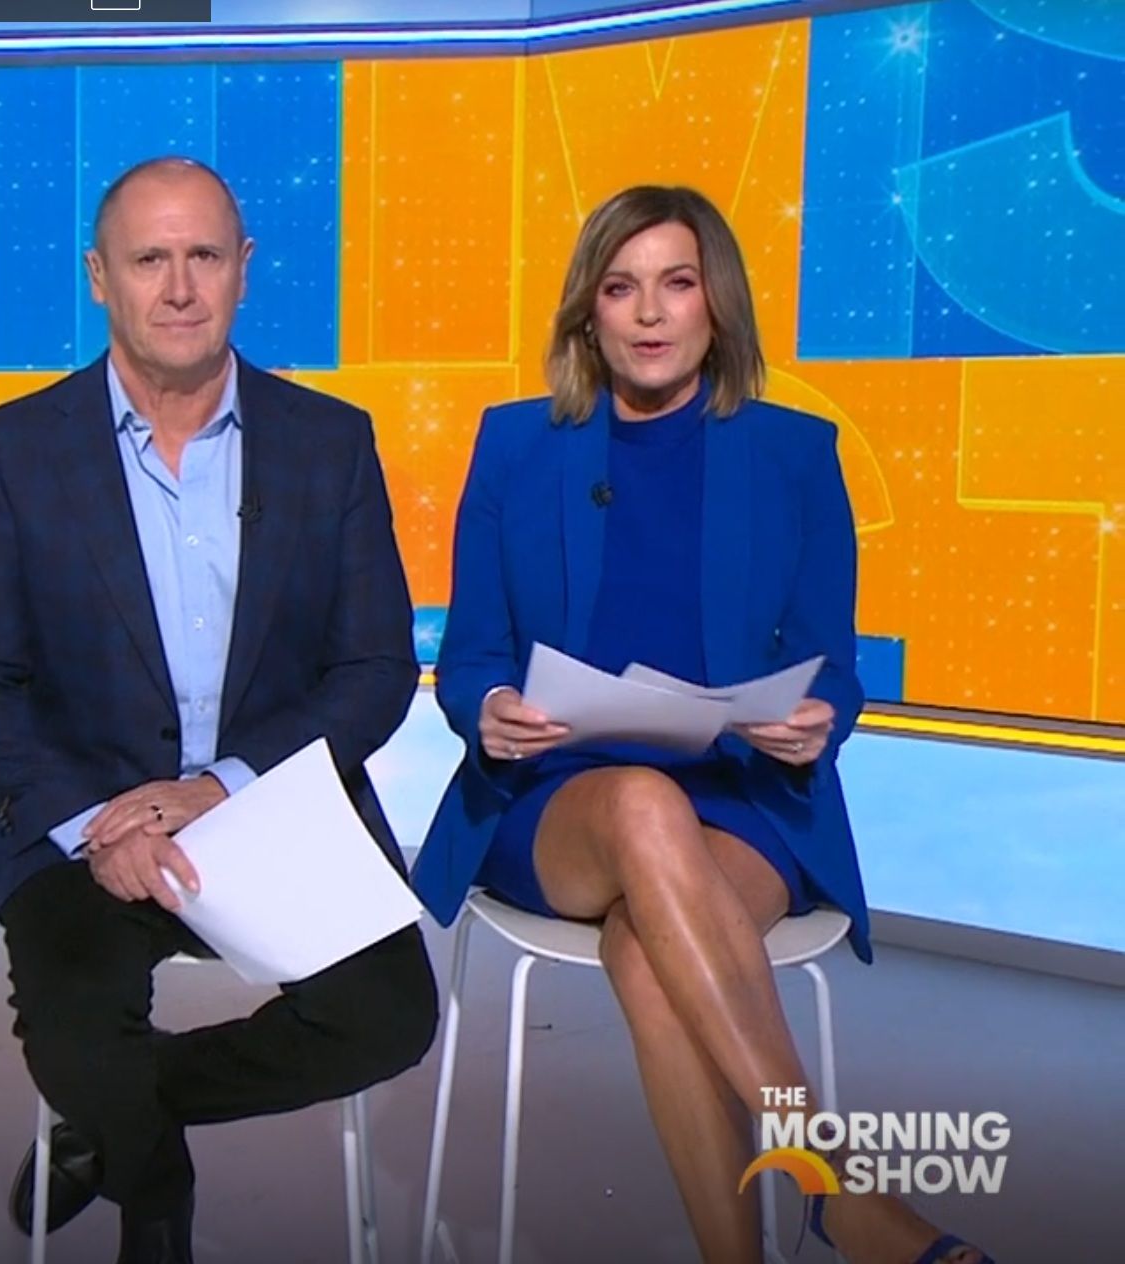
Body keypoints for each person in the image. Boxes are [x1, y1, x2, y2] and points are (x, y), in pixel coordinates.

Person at [410, 184, 996, 1264]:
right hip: (560, 803)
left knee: (648, 951)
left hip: (739, 799)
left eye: (675, 284)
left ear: (715, 303)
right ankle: (831, 1183)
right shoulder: (517, 446)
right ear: (587, 312)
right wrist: (488, 711)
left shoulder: (794, 455)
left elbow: (832, 663)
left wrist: (818, 721)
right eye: (620, 288)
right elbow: (473, 657)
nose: (648, 313)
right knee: (642, 805)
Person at [0, 156, 439, 1264]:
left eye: (203, 255)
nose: (177, 287)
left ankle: (115, 1119)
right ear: (98, 277)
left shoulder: (329, 442)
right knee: (75, 1019)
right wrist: (98, 823)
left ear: (243, 269)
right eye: (148, 259)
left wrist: (220, 789)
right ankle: (155, 1203)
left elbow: (373, 667)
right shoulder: (16, 448)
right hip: (87, 824)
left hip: (272, 808)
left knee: (389, 1018)